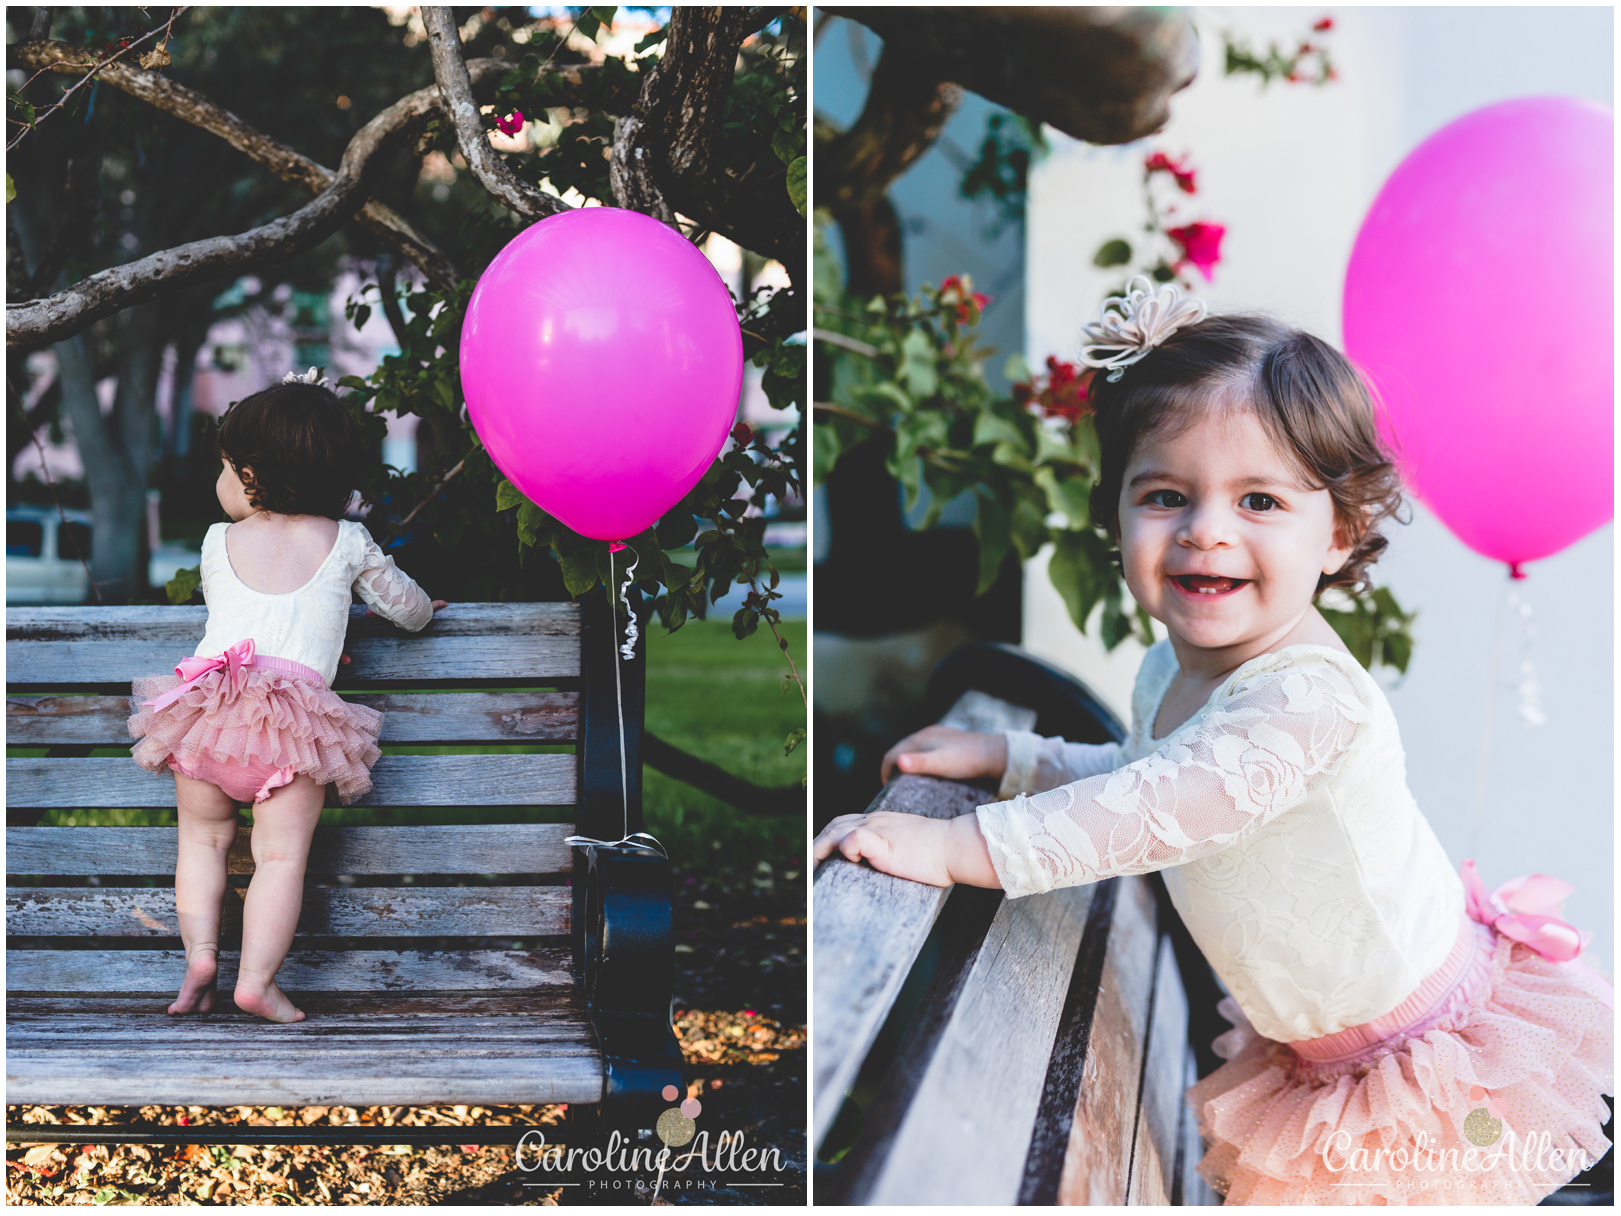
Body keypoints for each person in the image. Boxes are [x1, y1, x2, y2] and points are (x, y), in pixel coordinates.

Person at [812, 279, 1613, 1204]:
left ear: (1339, 534)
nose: (1205, 532)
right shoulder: (1175, 667)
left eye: (1260, 502)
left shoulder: (1305, 700)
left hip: (1416, 1063)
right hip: (1320, 1047)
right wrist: (1016, 760)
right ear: (1115, 516)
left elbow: (1161, 809)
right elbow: (1154, 777)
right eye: (1164, 494)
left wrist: (958, 845)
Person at [129, 370, 447, 1025]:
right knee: (279, 858)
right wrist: (417, 607)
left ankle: (201, 957)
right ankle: (256, 983)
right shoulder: (349, 542)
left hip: (209, 717)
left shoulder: (219, 541)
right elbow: (408, 612)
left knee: (202, 843)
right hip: (292, 730)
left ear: (248, 476)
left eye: (224, 468)